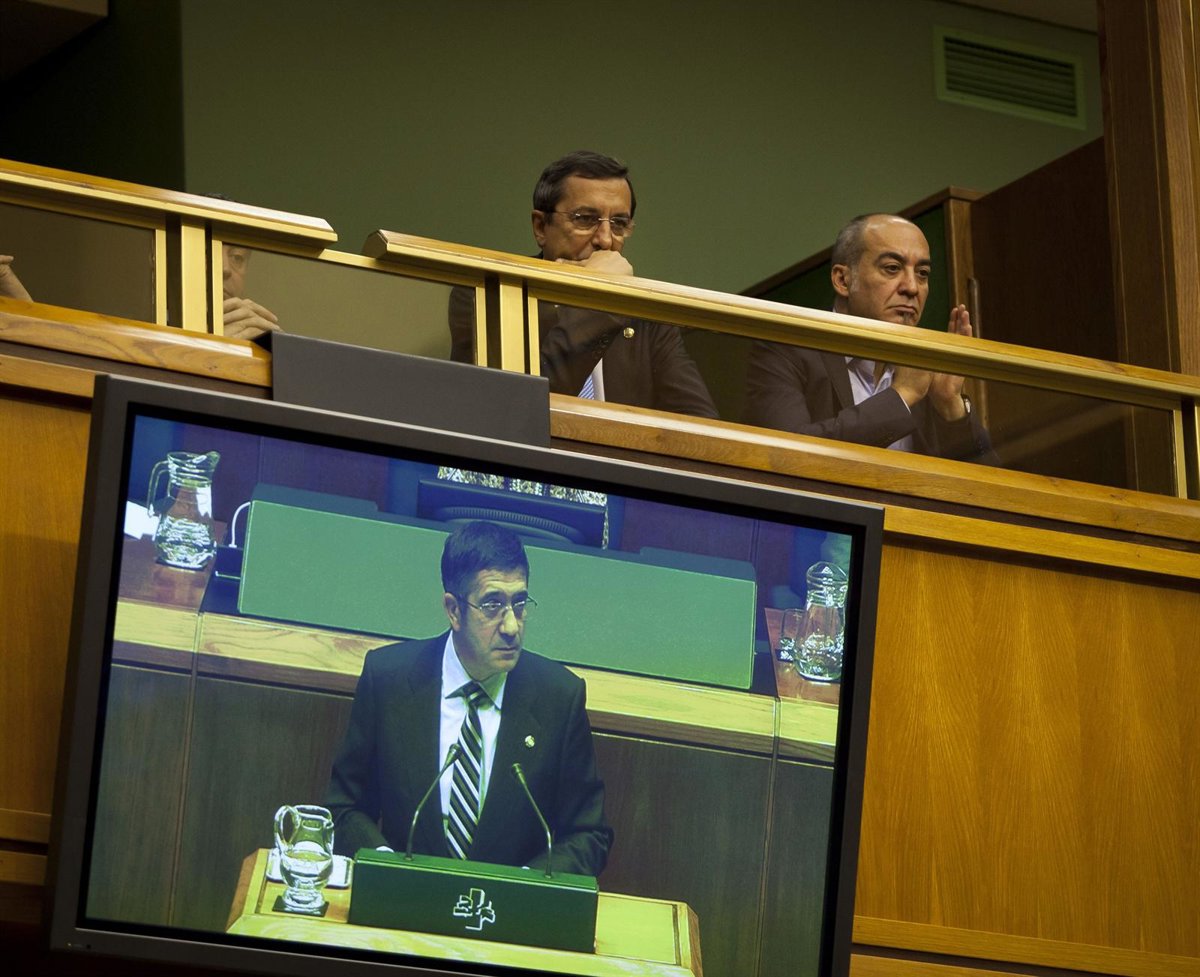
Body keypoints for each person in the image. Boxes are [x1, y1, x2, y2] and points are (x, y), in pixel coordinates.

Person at [325, 520, 612, 876]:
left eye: (519, 603)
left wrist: (524, 886)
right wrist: (386, 866)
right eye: (492, 605)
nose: (511, 626)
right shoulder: (389, 680)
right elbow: (344, 807)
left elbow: (589, 834)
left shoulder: (558, 697)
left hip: (509, 909)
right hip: (404, 900)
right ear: (453, 610)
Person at [448, 150, 718, 419]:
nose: (606, 240)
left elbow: (700, 422)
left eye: (618, 223)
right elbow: (509, 413)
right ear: (541, 227)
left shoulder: (647, 316)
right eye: (586, 219)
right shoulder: (488, 295)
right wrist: (601, 303)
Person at [743, 213, 997, 463]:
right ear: (843, 280)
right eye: (892, 268)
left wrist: (950, 406)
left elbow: (992, 483)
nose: (912, 287)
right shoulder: (784, 350)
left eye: (922, 273)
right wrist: (901, 396)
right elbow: (784, 457)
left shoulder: (925, 373)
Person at [0, 247, 278, 342]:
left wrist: (277, 355)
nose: (225, 269)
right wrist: (24, 315)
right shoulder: (128, 332)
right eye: (208, 252)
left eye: (237, 257)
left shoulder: (259, 339)